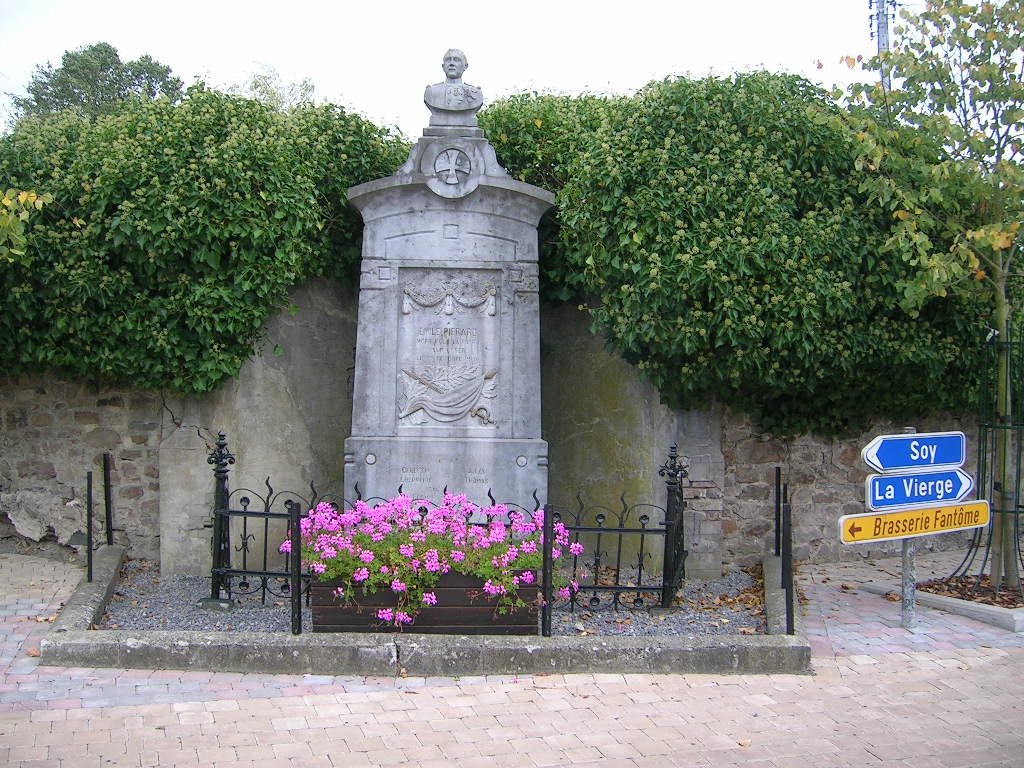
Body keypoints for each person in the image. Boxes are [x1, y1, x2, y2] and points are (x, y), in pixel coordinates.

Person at [424, 49, 483, 125]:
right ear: (443, 66)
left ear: (465, 66)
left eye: (456, 60)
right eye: (448, 60)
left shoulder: (476, 93)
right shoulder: (431, 92)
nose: (451, 63)